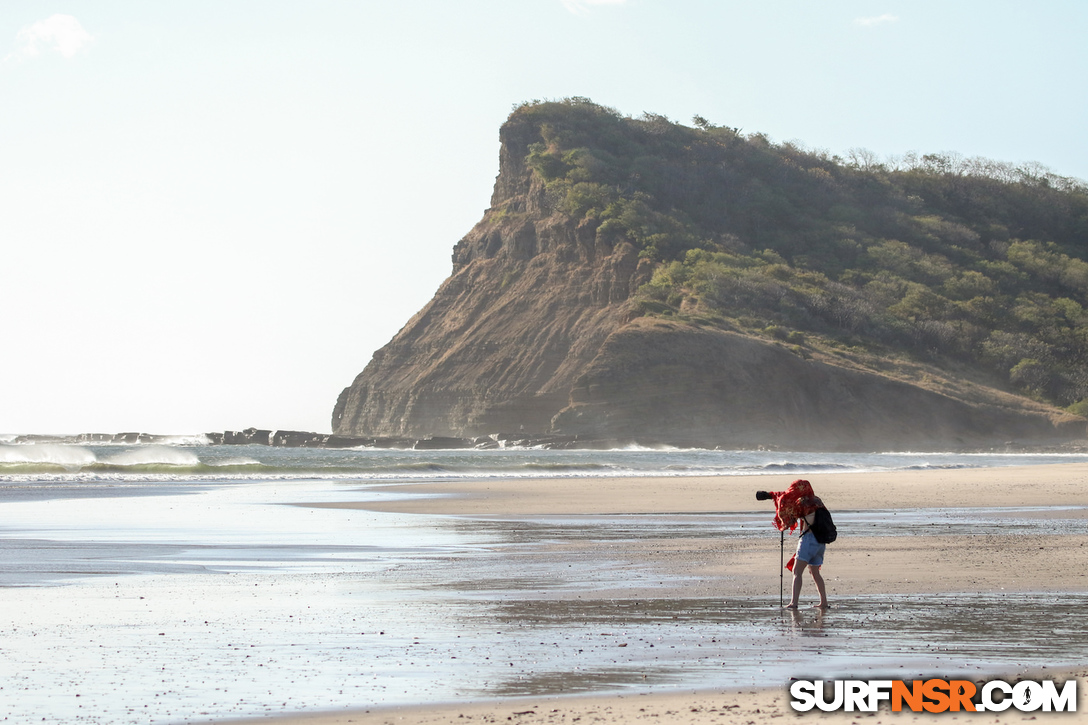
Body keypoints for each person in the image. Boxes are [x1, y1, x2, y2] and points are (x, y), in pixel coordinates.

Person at [766, 479, 829, 610]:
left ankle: (794, 603)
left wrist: (782, 519)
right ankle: (824, 602)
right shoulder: (817, 501)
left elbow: (789, 516)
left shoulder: (802, 502)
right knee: (815, 572)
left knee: (797, 571)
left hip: (808, 539)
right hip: (820, 541)